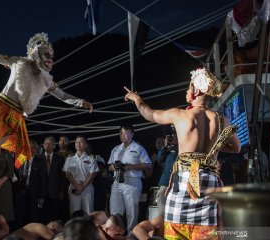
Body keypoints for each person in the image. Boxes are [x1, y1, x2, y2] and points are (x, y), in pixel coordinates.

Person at [0, 32, 93, 192]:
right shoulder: (18, 62)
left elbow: (63, 96)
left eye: (52, 56)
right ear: (37, 54)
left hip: (16, 117)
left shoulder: (46, 80)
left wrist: (81, 102)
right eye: (46, 54)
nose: (50, 59)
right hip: (2, 108)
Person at [124, 68, 241, 240]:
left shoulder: (180, 115)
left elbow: (148, 113)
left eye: (188, 87)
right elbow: (236, 148)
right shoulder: (222, 120)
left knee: (176, 232)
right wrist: (211, 148)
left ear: (196, 90)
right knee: (207, 234)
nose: (187, 91)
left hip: (184, 181)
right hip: (209, 182)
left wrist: (136, 98)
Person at [107, 124, 151, 236]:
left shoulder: (138, 148)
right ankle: (116, 234)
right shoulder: (116, 149)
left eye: (126, 133)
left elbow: (148, 164)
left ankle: (131, 235)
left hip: (132, 182)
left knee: (131, 211)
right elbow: (109, 166)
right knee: (115, 210)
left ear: (132, 134)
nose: (123, 135)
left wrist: (132, 166)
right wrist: (113, 167)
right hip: (117, 182)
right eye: (121, 133)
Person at [63, 135, 99, 215]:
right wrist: (77, 186)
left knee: (89, 212)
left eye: (81, 142)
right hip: (74, 187)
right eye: (76, 142)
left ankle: (89, 227)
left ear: (86, 145)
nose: (78, 144)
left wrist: (82, 187)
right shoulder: (69, 158)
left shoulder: (91, 158)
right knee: (74, 212)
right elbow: (67, 174)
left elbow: (92, 173)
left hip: (87, 187)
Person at [15, 139, 47, 226]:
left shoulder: (40, 161)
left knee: (34, 217)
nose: (31, 149)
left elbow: (43, 180)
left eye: (33, 148)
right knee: (20, 216)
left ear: (36, 149)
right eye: (29, 147)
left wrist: (41, 196)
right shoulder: (20, 159)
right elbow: (15, 174)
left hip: (34, 193)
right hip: (21, 192)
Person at [40, 136, 66, 223]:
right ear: (43, 145)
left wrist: (62, 191)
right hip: (41, 193)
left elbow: (62, 177)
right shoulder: (38, 158)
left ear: (54, 146)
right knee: (42, 216)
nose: (47, 145)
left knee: (55, 216)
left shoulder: (60, 159)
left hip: (55, 192)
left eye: (50, 143)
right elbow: (35, 178)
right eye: (46, 143)